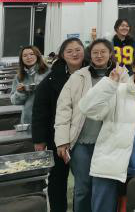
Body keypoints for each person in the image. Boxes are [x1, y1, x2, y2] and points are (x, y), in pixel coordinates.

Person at [79, 49, 135, 212]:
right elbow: (87, 108)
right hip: (111, 168)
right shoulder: (117, 91)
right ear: (133, 67)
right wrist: (110, 83)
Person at [54, 38, 124, 212]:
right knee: (83, 188)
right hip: (82, 143)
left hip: (109, 143)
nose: (99, 55)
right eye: (95, 52)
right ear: (90, 55)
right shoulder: (78, 77)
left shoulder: (122, 76)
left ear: (110, 54)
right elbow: (63, 109)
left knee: (106, 189)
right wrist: (62, 140)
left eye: (103, 52)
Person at [32, 38, 86, 212]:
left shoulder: (93, 73)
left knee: (84, 180)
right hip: (57, 137)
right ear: (62, 55)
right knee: (57, 179)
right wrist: (39, 139)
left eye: (78, 49)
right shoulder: (51, 79)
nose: (74, 54)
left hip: (85, 136)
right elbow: (40, 111)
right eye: (69, 51)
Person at [10, 45, 49, 124]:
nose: (28, 57)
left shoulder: (48, 72)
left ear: (37, 56)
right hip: (28, 118)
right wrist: (20, 92)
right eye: (25, 55)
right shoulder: (19, 76)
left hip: (48, 115)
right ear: (21, 59)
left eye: (32, 54)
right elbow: (14, 101)